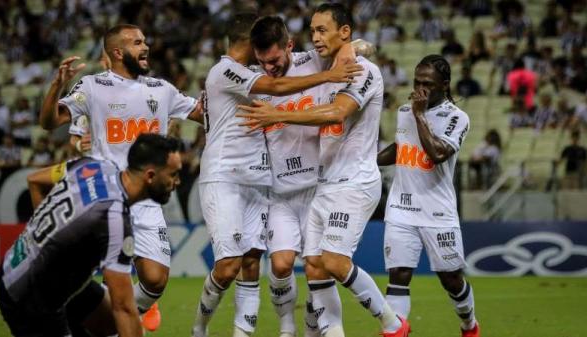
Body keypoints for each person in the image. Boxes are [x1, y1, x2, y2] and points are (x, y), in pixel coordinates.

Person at [190, 12, 363, 337]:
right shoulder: (234, 72)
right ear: (249, 46)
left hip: (286, 185)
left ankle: (297, 330)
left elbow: (342, 48)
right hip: (241, 182)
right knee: (258, 265)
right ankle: (200, 329)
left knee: (268, 261)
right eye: (261, 57)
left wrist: (355, 46)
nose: (267, 64)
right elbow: (276, 85)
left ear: (288, 45)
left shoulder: (307, 61)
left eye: (272, 57)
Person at [237, 4, 401, 336]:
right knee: (314, 268)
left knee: (333, 262)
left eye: (322, 30)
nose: (314, 37)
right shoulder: (321, 66)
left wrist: (276, 116)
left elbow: (337, 113)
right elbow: (281, 66)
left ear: (344, 32)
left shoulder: (361, 70)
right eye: (312, 31)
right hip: (323, 183)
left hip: (353, 181)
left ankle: (393, 323)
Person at [38, 23, 204, 331]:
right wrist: (55, 87)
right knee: (103, 281)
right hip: (107, 198)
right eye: (138, 42)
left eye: (145, 41)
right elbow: (49, 122)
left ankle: (107, 321)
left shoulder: (161, 89)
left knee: (155, 280)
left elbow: (203, 113)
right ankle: (102, 321)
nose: (146, 47)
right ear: (118, 52)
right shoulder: (92, 86)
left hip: (148, 199)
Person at [0, 133, 181, 337]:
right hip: (27, 295)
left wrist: (50, 241)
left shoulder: (95, 165)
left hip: (29, 267)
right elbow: (125, 308)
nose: (178, 182)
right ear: (149, 175)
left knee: (110, 323)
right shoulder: (114, 220)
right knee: (125, 315)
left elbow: (35, 179)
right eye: (173, 175)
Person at [376, 55, 479, 337]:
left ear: (445, 85)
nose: (420, 89)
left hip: (437, 211)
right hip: (401, 207)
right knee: (398, 274)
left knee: (451, 280)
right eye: (417, 82)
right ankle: (396, 331)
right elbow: (401, 148)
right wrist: (369, 162)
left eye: (428, 84)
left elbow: (436, 154)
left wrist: (420, 115)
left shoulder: (457, 118)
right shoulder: (404, 111)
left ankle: (469, 324)